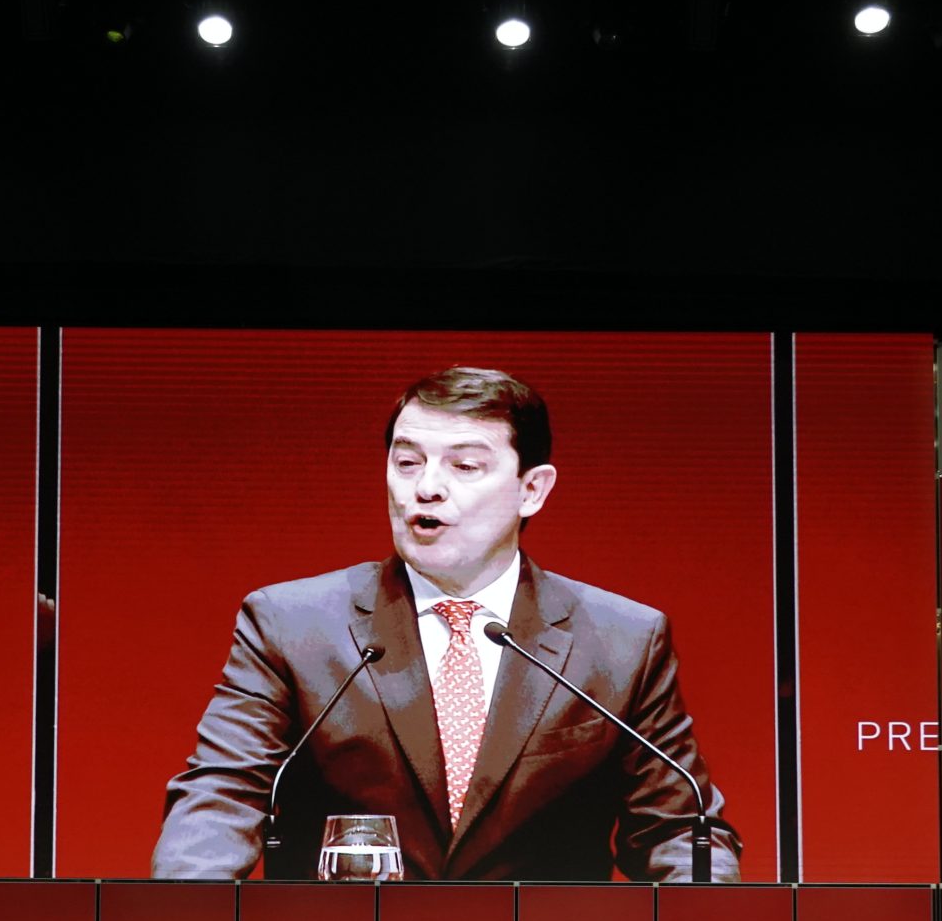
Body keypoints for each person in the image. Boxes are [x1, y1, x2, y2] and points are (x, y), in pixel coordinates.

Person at [150, 365, 742, 883]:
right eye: (407, 462)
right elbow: (221, 794)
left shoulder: (621, 641)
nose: (425, 488)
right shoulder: (294, 625)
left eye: (464, 466)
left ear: (531, 489)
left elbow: (677, 832)